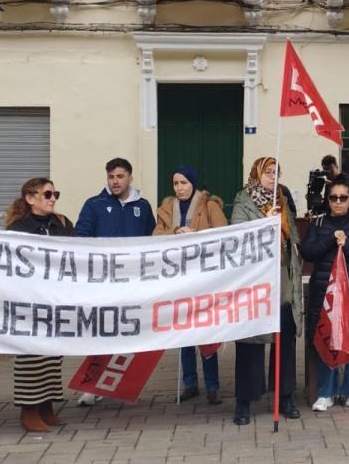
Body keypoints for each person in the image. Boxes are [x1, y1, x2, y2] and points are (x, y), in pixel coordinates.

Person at [74, 157, 156, 406]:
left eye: (120, 176)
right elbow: (81, 237)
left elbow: (154, 240)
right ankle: (91, 386)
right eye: (111, 177)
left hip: (133, 284)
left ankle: (122, 383)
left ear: (130, 177)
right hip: (103, 283)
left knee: (131, 331)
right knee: (100, 332)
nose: (115, 181)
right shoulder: (95, 205)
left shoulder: (143, 206)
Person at [230, 157, 304, 425]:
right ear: (256, 174)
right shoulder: (244, 201)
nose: (273, 177)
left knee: (284, 340)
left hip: (282, 280)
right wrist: (264, 225)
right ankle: (244, 401)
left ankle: (285, 396)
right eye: (268, 172)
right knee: (251, 342)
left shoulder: (283, 199)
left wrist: (283, 231)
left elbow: (292, 237)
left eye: (276, 172)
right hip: (256, 285)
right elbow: (237, 237)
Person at [300, 175, 349, 412]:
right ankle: (327, 392)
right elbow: (307, 252)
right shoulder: (320, 224)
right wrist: (329, 242)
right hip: (325, 295)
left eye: (343, 198)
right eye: (333, 198)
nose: (338, 202)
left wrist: (348, 246)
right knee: (327, 339)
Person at [4, 178, 74, 432]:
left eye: (55, 193)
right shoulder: (18, 229)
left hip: (55, 299)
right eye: (47, 194)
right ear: (30, 198)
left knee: (52, 355)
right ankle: (29, 409)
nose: (53, 198)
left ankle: (47, 405)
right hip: (29, 301)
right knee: (31, 356)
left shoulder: (62, 224)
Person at [154, 166, 228, 405]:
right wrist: (176, 232)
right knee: (184, 334)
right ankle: (189, 383)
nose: (179, 188)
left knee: (206, 332)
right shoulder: (166, 207)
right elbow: (156, 235)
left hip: (204, 278)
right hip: (178, 280)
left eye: (184, 183)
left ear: (193, 184)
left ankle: (213, 386)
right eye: (175, 184)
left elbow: (222, 234)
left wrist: (195, 234)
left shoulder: (210, 205)